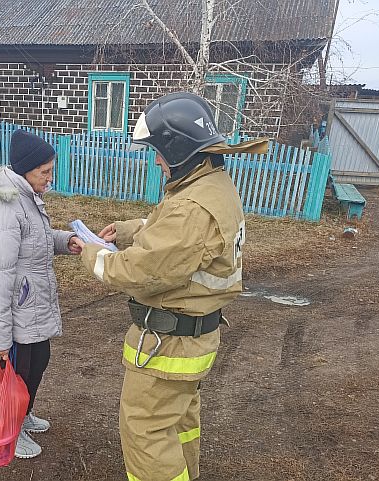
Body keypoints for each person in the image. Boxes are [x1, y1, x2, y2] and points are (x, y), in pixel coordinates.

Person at [75, 92, 268, 481]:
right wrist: (130, 230)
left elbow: (137, 271)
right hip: (195, 337)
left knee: (145, 430)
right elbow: (179, 241)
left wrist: (92, 253)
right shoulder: (213, 186)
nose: (158, 161)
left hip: (170, 344)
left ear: (178, 150)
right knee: (179, 422)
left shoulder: (190, 208)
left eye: (159, 152)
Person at [0, 129, 81, 459]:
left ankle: (25, 412)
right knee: (19, 373)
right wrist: (0, 342)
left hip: (32, 306)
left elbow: (37, 236)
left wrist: (66, 241)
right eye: (45, 172)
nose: (50, 178)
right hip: (17, 312)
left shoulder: (24, 199)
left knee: (38, 364)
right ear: (25, 170)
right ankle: (12, 427)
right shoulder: (3, 211)